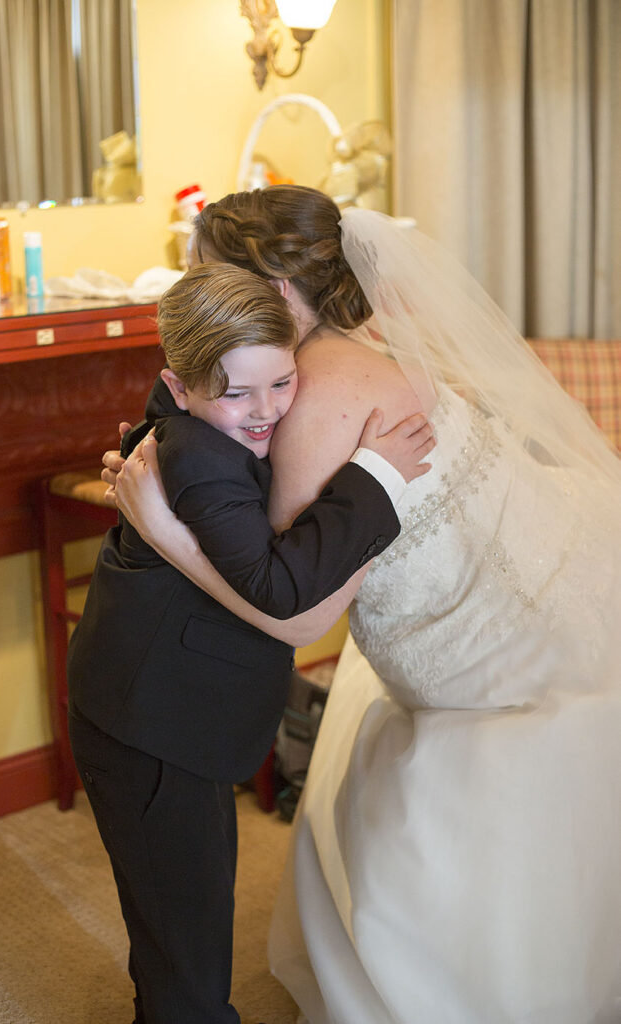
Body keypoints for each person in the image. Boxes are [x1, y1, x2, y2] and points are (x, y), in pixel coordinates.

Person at [103, 185, 621, 1024]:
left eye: (207, 277)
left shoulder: (315, 394)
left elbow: (301, 612)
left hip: (479, 637)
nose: (196, 295)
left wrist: (159, 526)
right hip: (528, 578)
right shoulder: (354, 350)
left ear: (269, 295)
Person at [68, 260, 435, 1024]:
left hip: (168, 714)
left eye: (281, 383)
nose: (265, 412)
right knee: (187, 945)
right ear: (180, 388)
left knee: (181, 924)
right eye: (236, 393)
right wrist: (375, 476)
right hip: (151, 728)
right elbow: (280, 588)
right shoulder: (200, 461)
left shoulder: (200, 426)